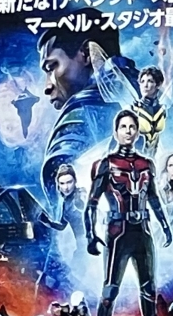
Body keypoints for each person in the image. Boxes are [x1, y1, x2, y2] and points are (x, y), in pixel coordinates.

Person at [85, 108, 172, 316]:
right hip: (117, 233)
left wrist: (165, 225)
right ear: (116, 132)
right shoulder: (106, 164)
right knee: (110, 289)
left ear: (138, 132)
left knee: (149, 288)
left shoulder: (146, 164)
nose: (128, 131)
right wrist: (90, 235)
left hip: (142, 232)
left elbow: (153, 198)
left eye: (132, 127)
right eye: (123, 127)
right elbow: (92, 203)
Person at [37, 24, 130, 202]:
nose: (47, 87)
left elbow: (57, 172)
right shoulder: (145, 92)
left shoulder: (83, 109)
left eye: (52, 67)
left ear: (87, 54)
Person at [35, 162, 86, 285]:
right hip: (81, 247)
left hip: (92, 245)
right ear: (58, 185)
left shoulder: (81, 194)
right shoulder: (65, 203)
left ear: (75, 182)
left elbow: (86, 206)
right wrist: (47, 221)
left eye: (69, 182)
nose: (66, 187)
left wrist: (82, 202)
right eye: (62, 183)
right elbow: (62, 226)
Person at [129, 67, 168, 156]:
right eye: (142, 81)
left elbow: (156, 139)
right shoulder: (132, 109)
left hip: (151, 158)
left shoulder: (162, 110)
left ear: (158, 85)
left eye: (150, 81)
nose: (145, 85)